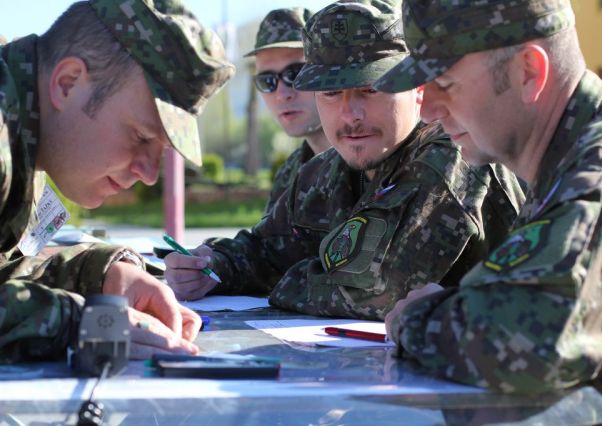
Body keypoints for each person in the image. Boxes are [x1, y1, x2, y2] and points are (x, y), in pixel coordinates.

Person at [165, 0, 524, 321]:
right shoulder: (325, 171)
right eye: (331, 93)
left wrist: (284, 278)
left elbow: (376, 293)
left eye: (370, 89)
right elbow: (266, 250)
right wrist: (213, 266)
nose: (350, 114)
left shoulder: (451, 156)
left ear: (416, 87)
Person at [375, 0, 602, 421]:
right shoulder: (568, 161)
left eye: (445, 82)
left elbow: (528, 342)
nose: (427, 112)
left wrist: (418, 317)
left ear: (528, 72)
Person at [0, 0, 235, 361]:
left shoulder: (28, 131)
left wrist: (100, 275)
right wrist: (76, 322)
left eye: (160, 150)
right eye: (140, 136)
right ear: (68, 84)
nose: (148, 173)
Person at [244, 7, 330, 213]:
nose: (282, 94)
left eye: (296, 74)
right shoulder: (291, 173)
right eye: (267, 81)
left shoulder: (369, 162)